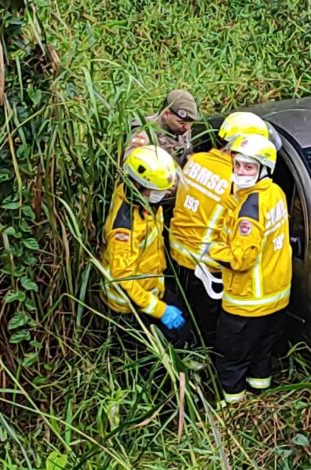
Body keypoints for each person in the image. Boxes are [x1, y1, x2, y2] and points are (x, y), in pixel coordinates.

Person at [168, 111, 280, 349]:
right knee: (208, 329)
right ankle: (206, 369)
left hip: (177, 255)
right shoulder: (235, 181)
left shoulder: (196, 160)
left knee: (186, 318)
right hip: (206, 266)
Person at [206, 134, 292, 403]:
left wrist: (214, 250)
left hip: (247, 301)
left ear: (263, 170)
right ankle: (261, 395)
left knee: (231, 360)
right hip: (275, 296)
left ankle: (233, 408)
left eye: (249, 167)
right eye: (238, 165)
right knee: (261, 355)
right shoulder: (274, 192)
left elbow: (241, 259)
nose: (241, 172)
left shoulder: (250, 209)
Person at [101, 145, 192, 345]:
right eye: (158, 190)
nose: (165, 193)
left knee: (184, 325)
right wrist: (160, 310)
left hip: (152, 286)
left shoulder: (141, 200)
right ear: (139, 185)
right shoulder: (124, 229)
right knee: (156, 350)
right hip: (130, 305)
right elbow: (123, 279)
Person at [126, 89, 199, 167]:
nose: (187, 128)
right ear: (166, 114)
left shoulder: (182, 130)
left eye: (190, 124)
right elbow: (129, 165)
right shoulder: (145, 133)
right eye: (181, 123)